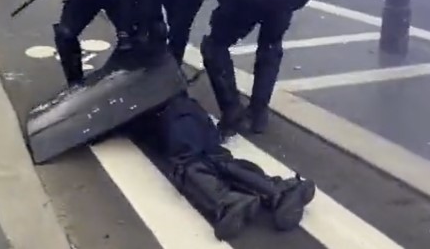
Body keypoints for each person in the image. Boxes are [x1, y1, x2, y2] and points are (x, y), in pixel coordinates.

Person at [184, 0, 312, 138]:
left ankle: (232, 109)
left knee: (215, 46)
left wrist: (179, 31)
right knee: (270, 46)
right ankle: (259, 112)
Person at [132, 94, 316, 240]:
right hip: (184, 109)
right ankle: (278, 190)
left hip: (163, 115)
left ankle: (227, 201)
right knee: (215, 158)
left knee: (187, 164)